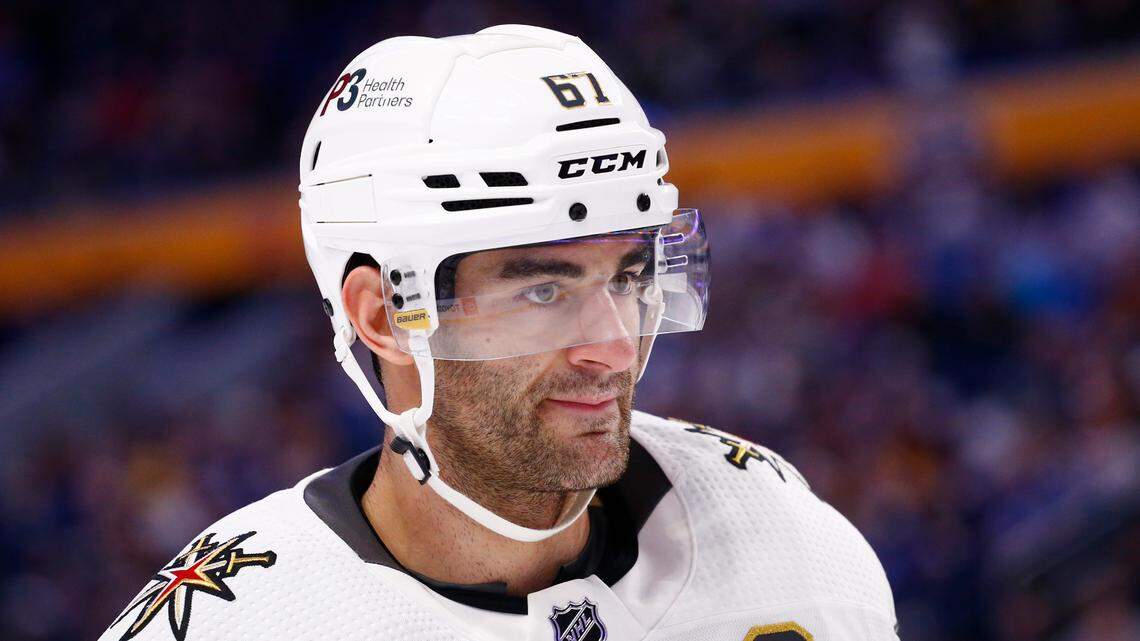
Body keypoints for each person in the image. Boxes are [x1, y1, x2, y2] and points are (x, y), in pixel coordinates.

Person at [100, 25, 898, 641]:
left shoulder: (780, 535)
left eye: (627, 276)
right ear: (383, 317)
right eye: (544, 290)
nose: (615, 346)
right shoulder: (235, 623)